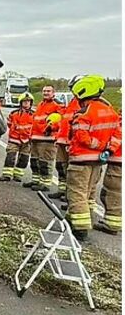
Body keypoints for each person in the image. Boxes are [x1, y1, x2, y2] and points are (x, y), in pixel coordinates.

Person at [66, 75, 119, 241]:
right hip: (98, 161)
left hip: (81, 160)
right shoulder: (110, 111)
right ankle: (77, 217)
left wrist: (98, 144)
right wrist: (108, 149)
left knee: (77, 193)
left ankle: (80, 229)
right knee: (88, 192)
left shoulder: (84, 113)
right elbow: (117, 135)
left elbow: (81, 136)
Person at [25, 85, 64, 191]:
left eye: (48, 91)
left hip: (47, 140)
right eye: (44, 91)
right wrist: (30, 136)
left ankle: (45, 183)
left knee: (45, 162)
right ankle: (36, 180)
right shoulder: (41, 105)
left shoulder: (57, 105)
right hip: (36, 139)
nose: (46, 93)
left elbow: (61, 121)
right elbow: (35, 121)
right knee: (34, 161)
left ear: (53, 92)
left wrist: (51, 128)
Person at [50, 77, 83, 201]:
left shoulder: (84, 104)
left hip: (72, 144)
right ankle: (62, 190)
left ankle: (70, 195)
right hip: (62, 141)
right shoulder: (73, 102)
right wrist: (55, 128)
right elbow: (65, 121)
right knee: (61, 167)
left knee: (72, 171)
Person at [96, 115, 122, 235]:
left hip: (118, 161)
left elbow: (117, 137)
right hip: (118, 161)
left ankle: (111, 225)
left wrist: (109, 150)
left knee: (112, 192)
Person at [1, 92, 33, 181]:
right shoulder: (13, 113)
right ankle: (6, 175)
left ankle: (17, 175)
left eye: (28, 101)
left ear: (31, 103)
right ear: (21, 102)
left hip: (27, 141)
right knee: (10, 157)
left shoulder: (34, 114)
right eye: (24, 101)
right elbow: (9, 124)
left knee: (24, 158)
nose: (26, 103)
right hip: (14, 139)